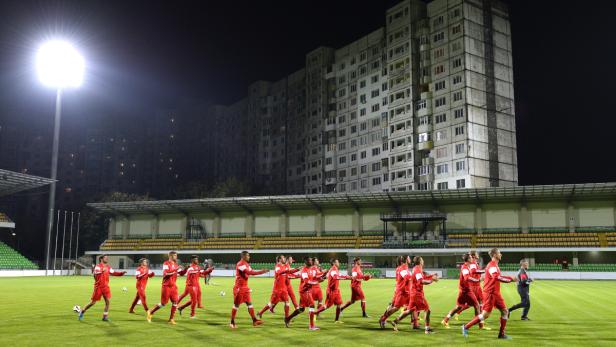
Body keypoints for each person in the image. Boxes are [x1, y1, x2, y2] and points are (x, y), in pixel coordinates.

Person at [462, 248, 517, 340]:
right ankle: (465, 327)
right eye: (499, 253)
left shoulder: (495, 265)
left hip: (496, 293)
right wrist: (510, 279)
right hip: (490, 293)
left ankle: (501, 334)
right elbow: (497, 277)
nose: (501, 254)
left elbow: (498, 277)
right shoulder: (492, 266)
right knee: (485, 315)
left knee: (505, 311)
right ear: (495, 255)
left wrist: (510, 278)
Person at [389, 256, 438, 333]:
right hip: (417, 294)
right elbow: (421, 281)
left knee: (409, 310)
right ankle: (427, 329)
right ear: (420, 261)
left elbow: (423, 277)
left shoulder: (416, 268)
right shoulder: (418, 269)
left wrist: (431, 276)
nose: (423, 261)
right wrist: (432, 280)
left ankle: (395, 321)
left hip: (413, 293)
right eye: (422, 260)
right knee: (427, 310)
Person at [78, 254, 126, 321]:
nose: (107, 259)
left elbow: (113, 272)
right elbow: (96, 273)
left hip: (105, 287)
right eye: (105, 258)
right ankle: (82, 311)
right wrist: (101, 271)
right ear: (101, 259)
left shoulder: (108, 267)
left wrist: (121, 273)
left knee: (107, 302)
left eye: (107, 258)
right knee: (93, 302)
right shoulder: (98, 266)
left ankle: (104, 317)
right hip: (99, 287)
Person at [229, 251, 268, 329]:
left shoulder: (246, 264)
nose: (249, 257)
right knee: (236, 305)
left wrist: (260, 272)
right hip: (239, 288)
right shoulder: (240, 264)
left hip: (245, 288)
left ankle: (254, 320)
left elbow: (251, 272)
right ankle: (232, 322)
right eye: (247, 255)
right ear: (243, 256)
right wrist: (262, 271)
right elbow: (249, 272)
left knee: (249, 303)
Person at [147, 251, 187, 325]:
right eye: (175, 256)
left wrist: (186, 269)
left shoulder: (176, 264)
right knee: (163, 303)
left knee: (175, 302)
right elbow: (166, 273)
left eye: (176, 255)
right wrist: (176, 269)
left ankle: (171, 319)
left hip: (173, 286)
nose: (176, 257)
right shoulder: (166, 263)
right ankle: (151, 312)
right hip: (166, 286)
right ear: (171, 256)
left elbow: (181, 273)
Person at [441, 253, 480, 328]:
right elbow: (467, 277)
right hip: (467, 291)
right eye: (471, 257)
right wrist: (477, 280)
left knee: (458, 307)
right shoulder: (465, 268)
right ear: (468, 259)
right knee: (477, 305)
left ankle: (445, 320)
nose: (472, 258)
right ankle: (479, 323)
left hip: (463, 291)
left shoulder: (467, 267)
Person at [284, 257, 322, 330]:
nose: (311, 261)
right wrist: (317, 282)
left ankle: (287, 319)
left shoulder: (311, 269)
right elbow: (306, 281)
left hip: (308, 290)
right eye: (309, 260)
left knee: (301, 309)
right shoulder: (304, 271)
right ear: (306, 262)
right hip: (304, 290)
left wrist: (323, 275)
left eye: (311, 260)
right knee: (312, 306)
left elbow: (317, 276)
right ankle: (311, 326)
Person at [257, 255, 299, 319]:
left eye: (284, 258)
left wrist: (297, 269)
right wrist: (287, 271)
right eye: (283, 258)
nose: (284, 259)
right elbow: (280, 272)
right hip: (277, 289)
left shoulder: (285, 266)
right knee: (271, 303)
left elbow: (289, 272)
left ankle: (287, 318)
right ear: (279, 259)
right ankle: (260, 312)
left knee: (287, 303)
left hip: (284, 288)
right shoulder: (277, 266)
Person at [379, 255, 412, 329]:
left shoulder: (402, 268)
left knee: (411, 307)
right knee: (396, 307)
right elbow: (407, 277)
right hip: (402, 291)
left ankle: (413, 322)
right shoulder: (403, 268)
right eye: (409, 258)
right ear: (406, 259)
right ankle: (383, 319)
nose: (410, 259)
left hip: (403, 290)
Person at [315, 258, 350, 322]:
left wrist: (347, 277)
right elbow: (336, 277)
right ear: (334, 263)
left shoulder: (335, 269)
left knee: (339, 304)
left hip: (336, 290)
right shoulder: (333, 269)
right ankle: (314, 313)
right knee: (327, 305)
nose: (338, 263)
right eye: (337, 262)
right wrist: (346, 278)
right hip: (331, 291)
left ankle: (336, 320)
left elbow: (338, 275)